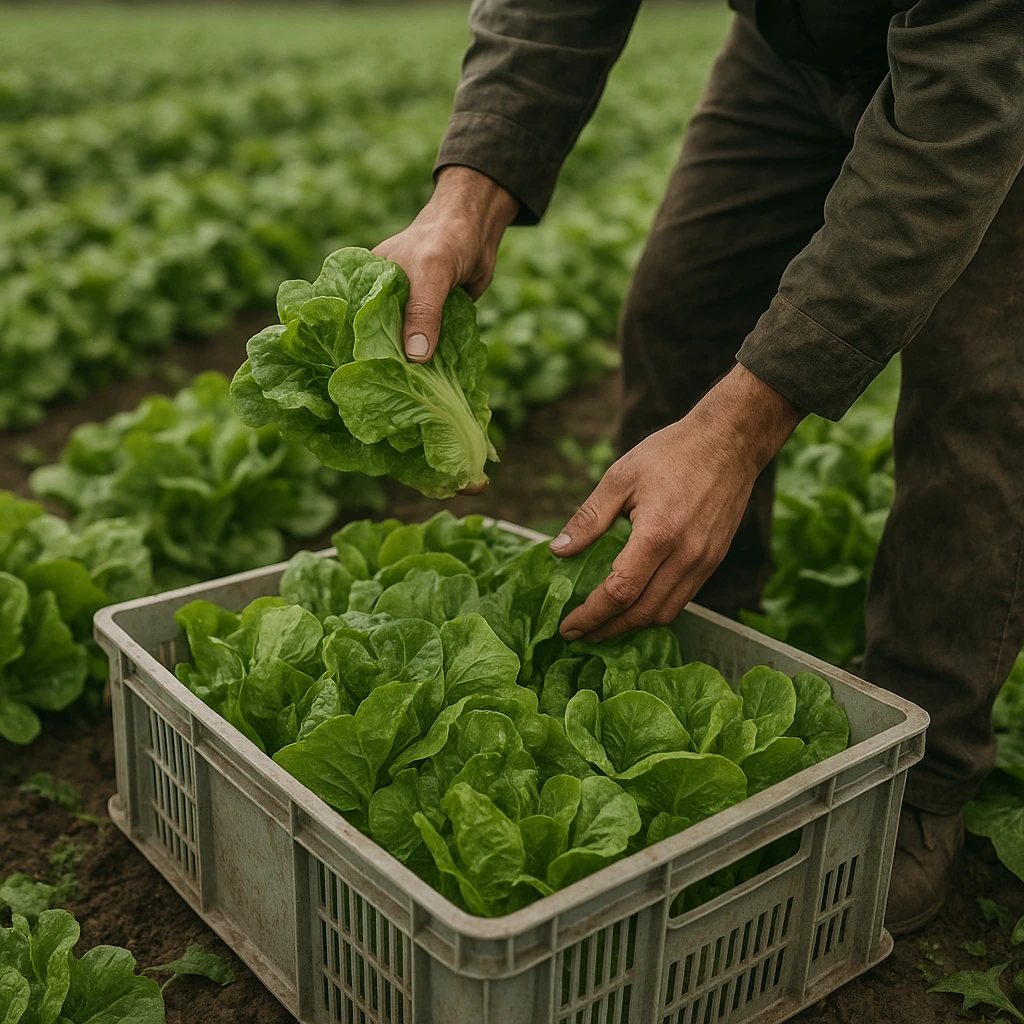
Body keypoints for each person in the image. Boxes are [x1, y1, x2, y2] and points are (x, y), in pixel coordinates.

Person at [373, 0, 1024, 934]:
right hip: (788, 43)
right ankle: (680, 647)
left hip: (991, 68)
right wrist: (466, 194)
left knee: (982, 403)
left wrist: (735, 434)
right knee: (682, 308)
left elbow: (963, 106)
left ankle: (926, 776)